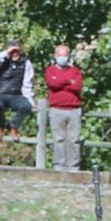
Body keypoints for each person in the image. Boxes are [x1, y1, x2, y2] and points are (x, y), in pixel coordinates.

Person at [39, 43, 86, 174]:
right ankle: (59, 165)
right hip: (56, 110)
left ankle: (73, 166)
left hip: (74, 110)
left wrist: (61, 82)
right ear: (55, 56)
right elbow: (52, 83)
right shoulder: (50, 70)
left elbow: (78, 87)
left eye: (65, 55)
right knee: (58, 139)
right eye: (60, 55)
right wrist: (68, 81)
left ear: (69, 56)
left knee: (73, 140)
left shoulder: (75, 71)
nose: (62, 57)